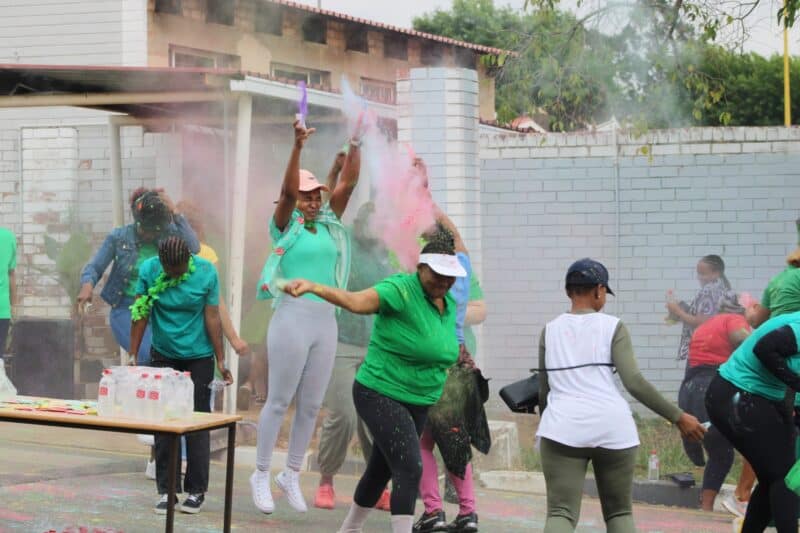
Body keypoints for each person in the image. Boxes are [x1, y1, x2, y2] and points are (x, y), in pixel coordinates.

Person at [282, 230, 467, 533]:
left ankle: (349, 529)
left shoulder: (446, 303)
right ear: (420, 268)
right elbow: (355, 302)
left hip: (419, 401)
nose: (444, 281)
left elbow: (440, 347)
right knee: (409, 467)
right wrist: (315, 287)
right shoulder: (400, 291)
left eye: (450, 276)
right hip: (379, 392)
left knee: (380, 471)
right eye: (437, 274)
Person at [538, 258, 705, 533]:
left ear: (568, 291)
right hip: (612, 429)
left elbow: (545, 389)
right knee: (619, 513)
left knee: (561, 513)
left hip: (562, 429)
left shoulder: (550, 330)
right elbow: (634, 382)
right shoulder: (613, 326)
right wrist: (678, 416)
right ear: (599, 290)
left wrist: (548, 423)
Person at [250, 119, 362, 514]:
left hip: (325, 320)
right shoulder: (284, 227)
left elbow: (348, 185)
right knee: (280, 401)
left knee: (312, 405)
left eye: (317, 195)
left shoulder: (329, 225)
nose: (313, 201)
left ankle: (291, 473)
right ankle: (262, 472)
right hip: (291, 317)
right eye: (307, 195)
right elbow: (285, 190)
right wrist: (296, 147)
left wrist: (356, 141)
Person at [129, 236, 233, 515]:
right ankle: (167, 490)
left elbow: (213, 316)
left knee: (197, 420)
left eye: (179, 268)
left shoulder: (206, 272)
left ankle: (197, 490)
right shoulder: (150, 270)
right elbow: (140, 312)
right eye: (169, 269)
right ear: (162, 264)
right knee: (164, 422)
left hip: (198, 355)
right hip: (163, 353)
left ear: (188, 261)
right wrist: (132, 355)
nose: (174, 274)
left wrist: (221, 359)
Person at [314, 201, 394, 512]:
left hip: (377, 344)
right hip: (343, 341)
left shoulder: (385, 251)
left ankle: (378, 486)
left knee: (376, 422)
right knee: (344, 414)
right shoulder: (342, 241)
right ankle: (326, 479)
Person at [78, 188, 200, 364]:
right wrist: (87, 286)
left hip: (160, 309)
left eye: (155, 231)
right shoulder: (119, 237)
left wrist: (175, 211)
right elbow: (95, 267)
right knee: (148, 356)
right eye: (146, 229)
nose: (150, 234)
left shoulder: (168, 234)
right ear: (137, 221)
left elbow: (194, 247)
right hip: (126, 310)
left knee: (172, 360)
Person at [706, 310, 800, 533]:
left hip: (766, 397)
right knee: (783, 475)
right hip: (737, 393)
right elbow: (765, 348)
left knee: (774, 476)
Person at [678, 303, 759, 512]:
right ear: (742, 310)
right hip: (712, 385)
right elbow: (741, 338)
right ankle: (725, 500)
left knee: (719, 449)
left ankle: (705, 507)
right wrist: (763, 346)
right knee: (733, 445)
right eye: (753, 308)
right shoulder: (734, 319)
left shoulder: (705, 326)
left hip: (690, 387)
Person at [666, 254, 738, 362]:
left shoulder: (709, 291)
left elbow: (702, 322)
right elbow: (710, 316)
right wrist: (683, 307)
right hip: (720, 349)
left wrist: (678, 311)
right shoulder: (724, 289)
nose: (699, 277)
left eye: (703, 274)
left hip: (704, 351)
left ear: (716, 273)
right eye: (698, 273)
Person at [0, 227, 16, 359]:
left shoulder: (8, 237)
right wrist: (14, 306)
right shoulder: (8, 237)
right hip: (2, 308)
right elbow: (11, 275)